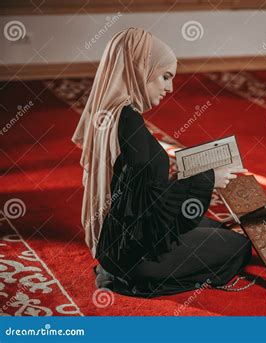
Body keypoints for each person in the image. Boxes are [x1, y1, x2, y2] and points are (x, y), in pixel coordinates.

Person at [71, 27, 252, 297]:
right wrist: (209, 178)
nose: (169, 88)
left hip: (117, 245)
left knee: (213, 226)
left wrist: (192, 176)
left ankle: (115, 270)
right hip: (137, 258)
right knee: (238, 246)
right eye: (164, 77)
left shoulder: (113, 112)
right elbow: (147, 210)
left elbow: (137, 198)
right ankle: (132, 281)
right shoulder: (128, 122)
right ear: (141, 70)